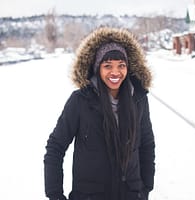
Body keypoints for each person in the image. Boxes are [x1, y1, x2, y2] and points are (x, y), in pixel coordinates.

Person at [44, 27, 155, 200]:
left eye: (121, 66)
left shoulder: (138, 99)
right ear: (98, 68)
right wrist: (55, 195)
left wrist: (146, 187)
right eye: (107, 66)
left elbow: (147, 144)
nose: (115, 72)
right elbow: (55, 147)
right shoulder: (80, 101)